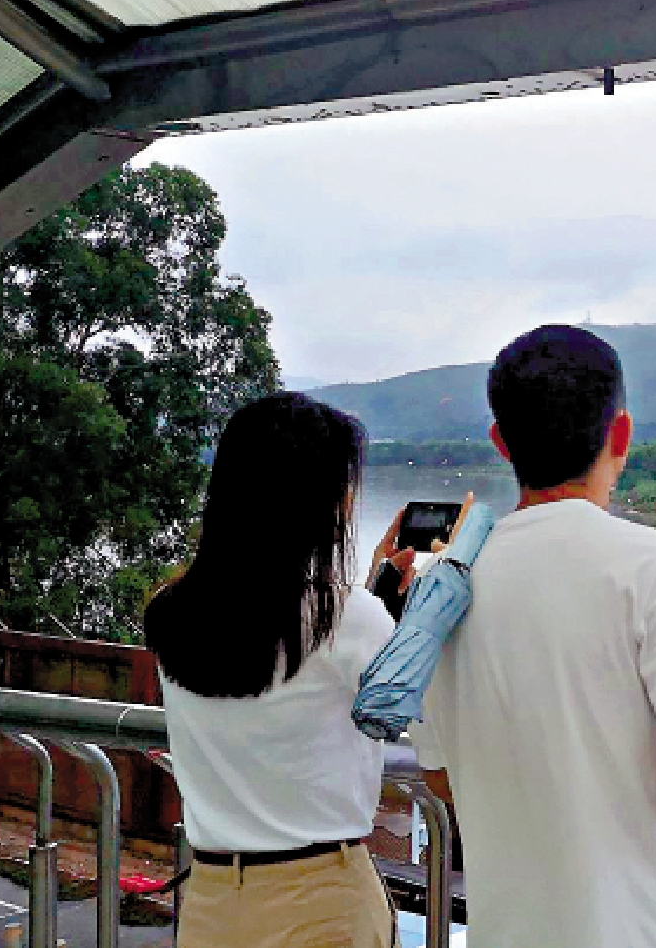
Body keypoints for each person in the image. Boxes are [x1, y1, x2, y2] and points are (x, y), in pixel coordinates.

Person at [411, 325, 656, 947]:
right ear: (620, 434)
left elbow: (441, 779)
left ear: (501, 442)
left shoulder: (443, 584)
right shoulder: (654, 566)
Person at [145, 392, 415, 948]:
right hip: (322, 901)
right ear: (312, 498)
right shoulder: (349, 619)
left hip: (213, 903)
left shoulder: (172, 613)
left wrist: (373, 589)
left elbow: (278, 658)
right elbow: (418, 708)